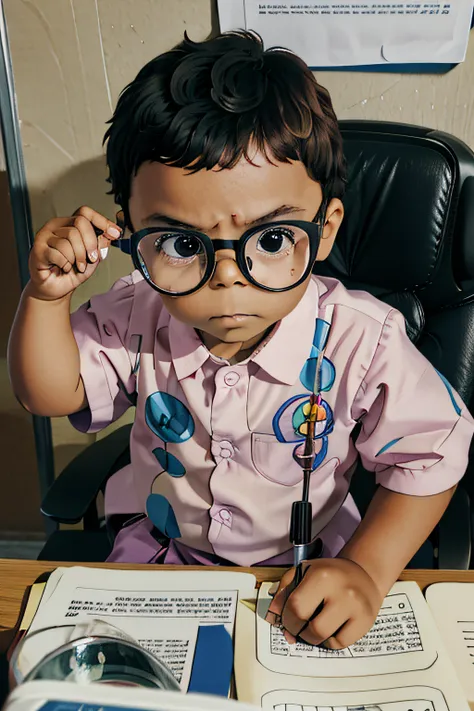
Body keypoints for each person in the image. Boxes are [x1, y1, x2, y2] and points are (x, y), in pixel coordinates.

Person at [8, 31, 474, 650]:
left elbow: (432, 451)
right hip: (160, 563)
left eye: (274, 240)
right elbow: (49, 394)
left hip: (311, 567)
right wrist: (45, 298)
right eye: (180, 244)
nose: (227, 279)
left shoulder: (362, 338)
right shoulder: (136, 314)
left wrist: (368, 568)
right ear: (131, 233)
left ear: (326, 228)